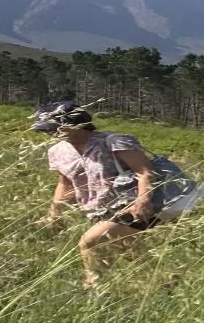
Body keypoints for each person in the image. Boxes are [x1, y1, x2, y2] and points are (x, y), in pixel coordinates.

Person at [34, 101, 184, 285]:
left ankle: (94, 289)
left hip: (130, 204)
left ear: (76, 123)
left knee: (90, 242)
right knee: (131, 253)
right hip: (96, 210)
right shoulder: (56, 152)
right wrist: (55, 211)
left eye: (55, 128)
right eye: (47, 129)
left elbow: (145, 171)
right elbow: (65, 183)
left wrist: (143, 201)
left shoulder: (113, 141)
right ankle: (164, 285)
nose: (51, 133)